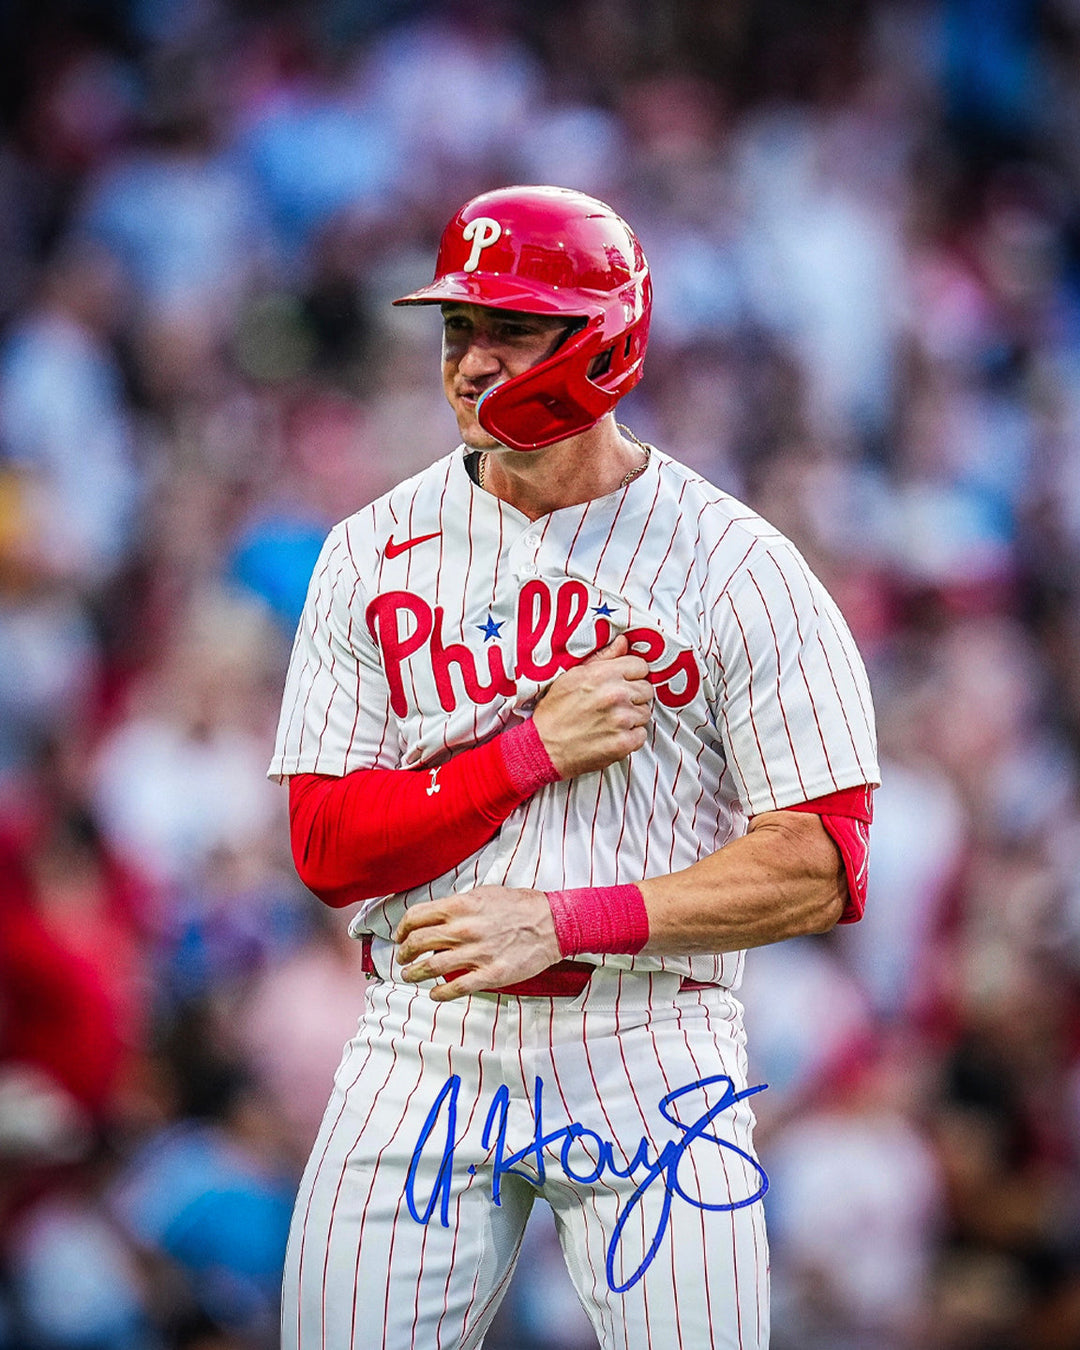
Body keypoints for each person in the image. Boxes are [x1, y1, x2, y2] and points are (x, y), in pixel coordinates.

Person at [269, 184, 878, 1350]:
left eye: (512, 328)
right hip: (423, 1043)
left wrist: (567, 919)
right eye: (457, 328)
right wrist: (528, 750)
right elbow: (326, 849)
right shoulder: (368, 552)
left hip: (651, 1047)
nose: (472, 361)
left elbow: (825, 864)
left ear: (603, 337)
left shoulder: (739, 566)